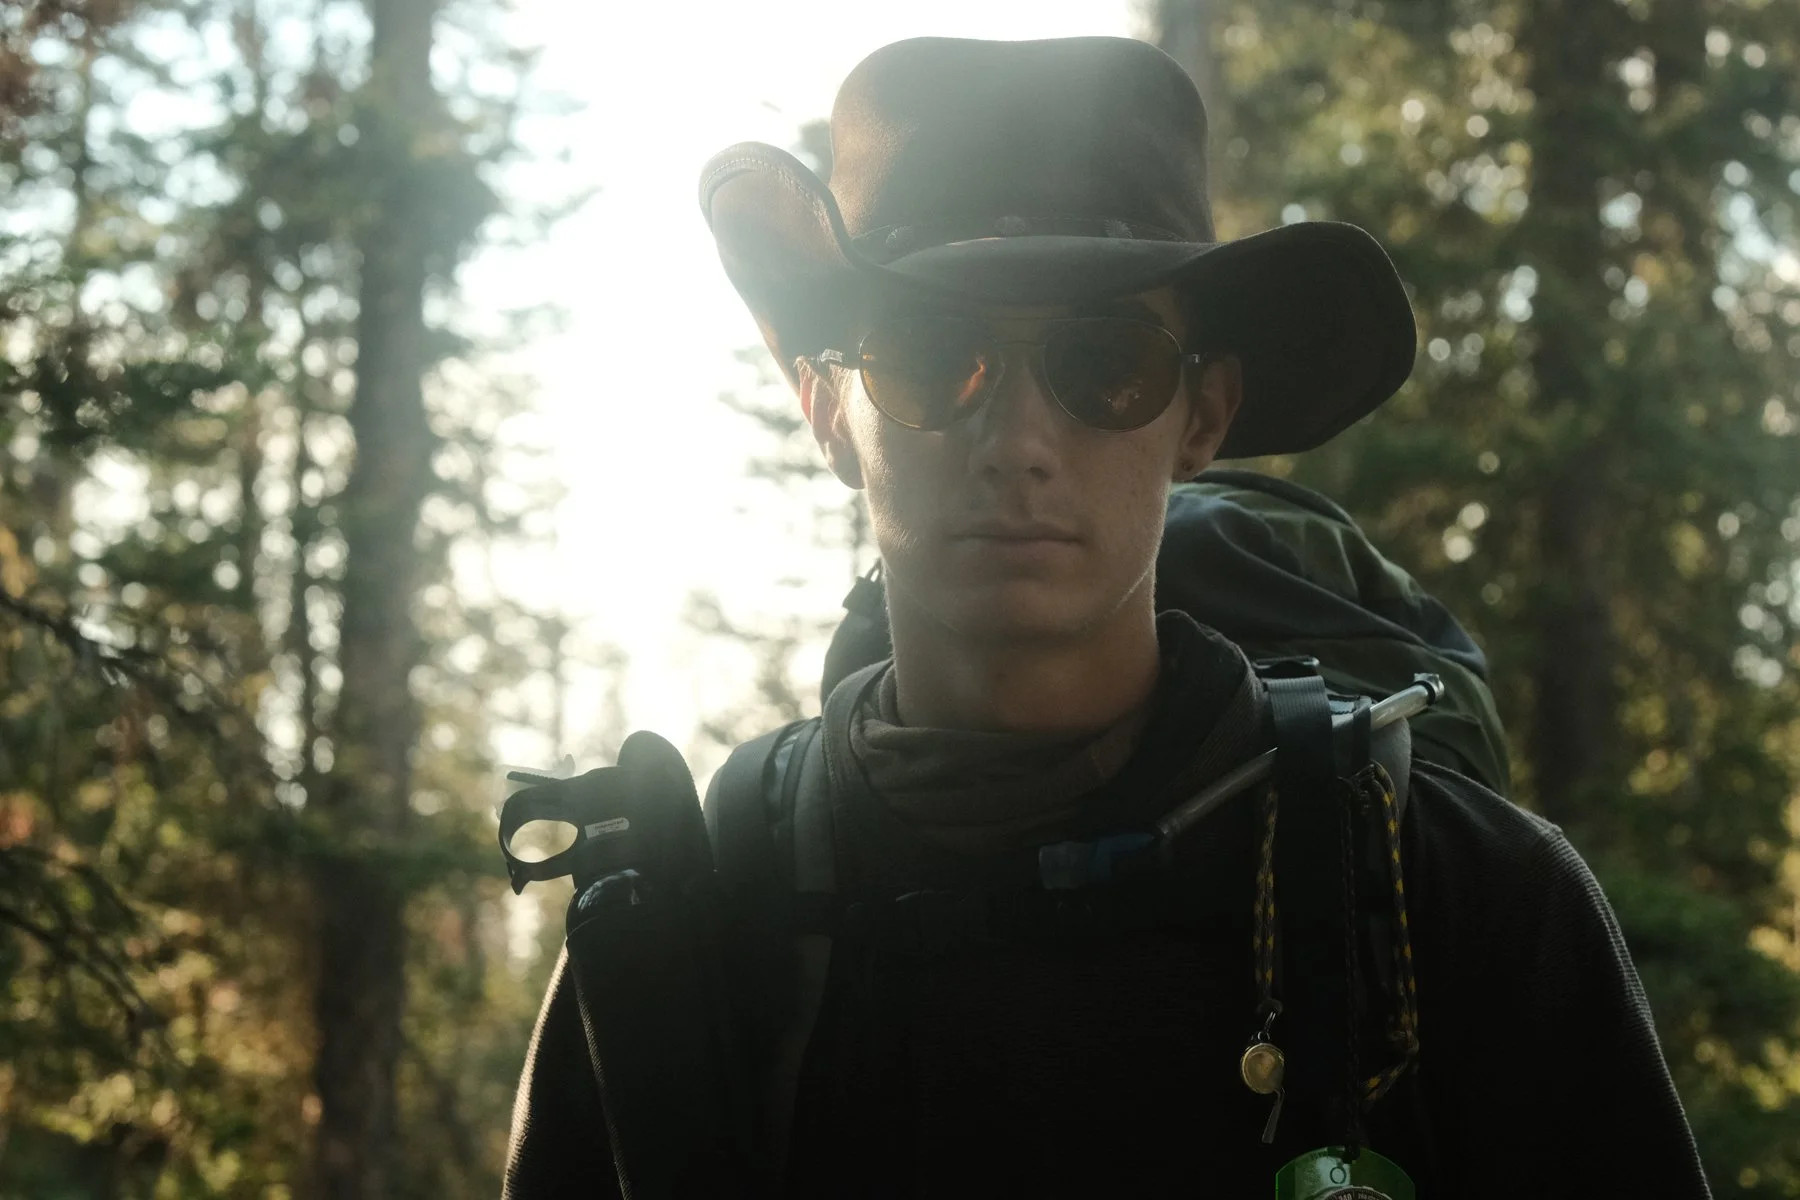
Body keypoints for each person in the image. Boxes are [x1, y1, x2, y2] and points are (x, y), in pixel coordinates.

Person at [504, 36, 1712, 1198]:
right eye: (930, 354)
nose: (1019, 442)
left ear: (1203, 415)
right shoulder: (694, 929)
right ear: (830, 413)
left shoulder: (1458, 901)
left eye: (1107, 364)